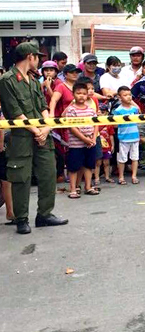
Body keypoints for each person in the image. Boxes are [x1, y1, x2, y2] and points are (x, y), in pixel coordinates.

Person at [0, 42, 68, 234]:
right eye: (38, 57)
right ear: (30, 57)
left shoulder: (33, 79)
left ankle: (44, 214)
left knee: (48, 172)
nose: (39, 61)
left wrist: (46, 128)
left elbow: (43, 107)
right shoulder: (7, 79)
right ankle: (21, 218)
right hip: (22, 136)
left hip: (42, 135)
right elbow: (14, 111)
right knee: (21, 177)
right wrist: (36, 130)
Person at [64, 82, 99, 199]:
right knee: (74, 167)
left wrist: (93, 138)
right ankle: (73, 189)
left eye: (84, 93)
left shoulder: (91, 110)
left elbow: (96, 124)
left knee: (89, 165)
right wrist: (85, 139)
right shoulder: (70, 110)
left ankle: (88, 187)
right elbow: (72, 128)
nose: (81, 96)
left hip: (90, 143)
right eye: (78, 93)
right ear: (73, 94)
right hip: (76, 144)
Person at [49, 63, 82, 182]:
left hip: (80, 120)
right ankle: (65, 173)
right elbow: (53, 100)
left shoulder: (79, 86)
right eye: (72, 72)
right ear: (65, 74)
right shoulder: (61, 86)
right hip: (65, 123)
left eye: (76, 72)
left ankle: (77, 174)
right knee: (65, 149)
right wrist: (51, 114)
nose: (75, 74)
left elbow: (91, 95)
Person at [113, 86, 140, 185]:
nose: (128, 97)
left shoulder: (134, 109)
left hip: (135, 137)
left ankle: (134, 176)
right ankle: (121, 176)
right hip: (124, 138)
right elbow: (115, 125)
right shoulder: (118, 111)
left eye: (129, 95)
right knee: (122, 159)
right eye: (125, 95)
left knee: (135, 157)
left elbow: (138, 118)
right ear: (119, 97)